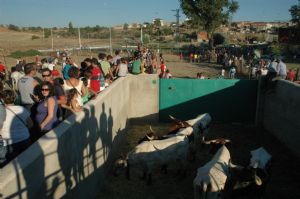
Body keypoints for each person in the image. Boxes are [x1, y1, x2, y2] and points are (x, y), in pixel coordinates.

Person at [0, 89, 32, 165]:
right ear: (14, 98)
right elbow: (31, 125)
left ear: (2, 99)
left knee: (11, 165)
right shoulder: (22, 109)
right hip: (24, 138)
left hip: (9, 142)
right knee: (26, 161)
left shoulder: (1, 112)